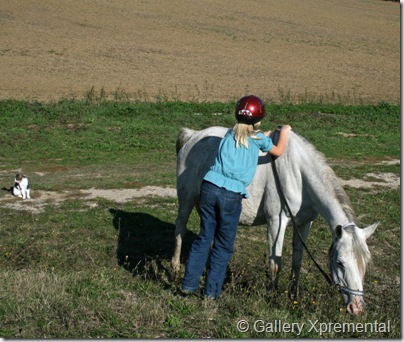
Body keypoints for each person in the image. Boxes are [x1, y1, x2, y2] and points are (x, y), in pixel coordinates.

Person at [181, 95, 292, 299]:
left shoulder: (229, 134)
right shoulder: (259, 139)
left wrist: (262, 134)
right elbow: (278, 150)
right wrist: (283, 132)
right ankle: (211, 293)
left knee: (204, 237)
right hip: (230, 196)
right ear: (258, 120)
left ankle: (188, 285)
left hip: (209, 188)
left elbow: (245, 136)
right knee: (223, 245)